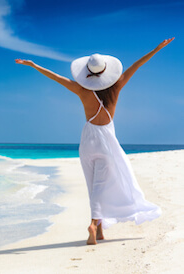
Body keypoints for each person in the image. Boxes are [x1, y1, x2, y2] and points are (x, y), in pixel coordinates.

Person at [15, 37, 175, 245]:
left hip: (88, 141)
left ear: (88, 73)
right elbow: (137, 65)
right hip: (106, 141)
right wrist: (157, 48)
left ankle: (98, 230)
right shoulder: (116, 88)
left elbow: (55, 77)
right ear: (107, 71)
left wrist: (33, 65)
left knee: (93, 185)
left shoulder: (82, 91)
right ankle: (93, 224)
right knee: (102, 184)